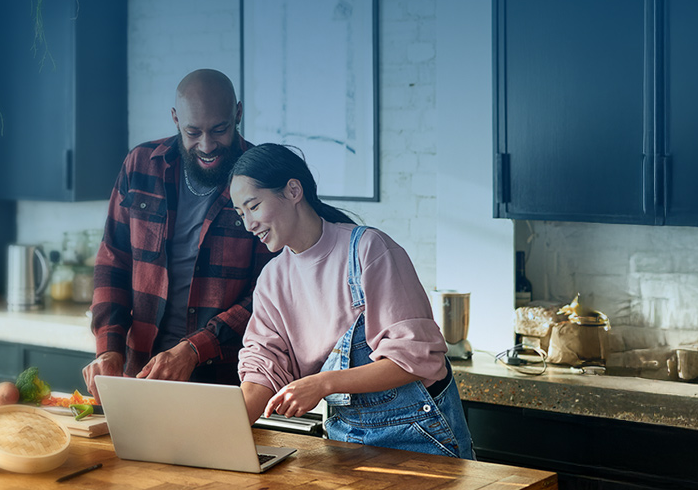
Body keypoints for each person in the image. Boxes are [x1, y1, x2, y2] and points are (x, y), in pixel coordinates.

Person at [230, 143, 476, 460]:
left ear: (293, 191)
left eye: (253, 206)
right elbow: (262, 370)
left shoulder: (368, 250)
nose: (249, 224)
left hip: (421, 438)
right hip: (345, 441)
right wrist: (214, 435)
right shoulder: (271, 281)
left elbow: (415, 360)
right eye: (241, 214)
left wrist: (322, 384)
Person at [83, 69, 275, 400]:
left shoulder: (261, 180)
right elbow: (113, 261)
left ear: (238, 114)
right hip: (142, 372)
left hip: (224, 380)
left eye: (219, 129)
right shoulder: (140, 166)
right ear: (175, 119)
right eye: (193, 131)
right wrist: (109, 348)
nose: (207, 145)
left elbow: (269, 293)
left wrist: (194, 349)